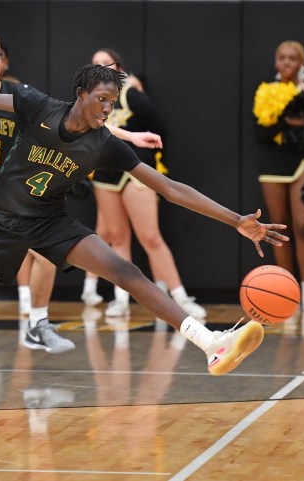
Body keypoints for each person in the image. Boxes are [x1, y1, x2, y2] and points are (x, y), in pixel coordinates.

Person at [0, 63, 289, 420]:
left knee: (125, 271)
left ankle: (209, 342)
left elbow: (169, 188)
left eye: (113, 102)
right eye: (102, 99)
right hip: (0, 226)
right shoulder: (39, 106)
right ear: (82, 94)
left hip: (50, 223)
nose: (107, 109)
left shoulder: (107, 143)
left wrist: (235, 221)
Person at [82, 48, 206, 319]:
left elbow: (159, 127)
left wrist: (146, 154)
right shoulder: (88, 102)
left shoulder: (130, 94)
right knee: (117, 238)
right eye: (95, 65)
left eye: (106, 63)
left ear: (119, 68)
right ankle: (121, 299)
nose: (101, 69)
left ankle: (181, 299)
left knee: (150, 236)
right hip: (104, 172)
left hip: (135, 169)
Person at [252, 40, 304, 320]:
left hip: (303, 163)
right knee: (278, 230)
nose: (286, 62)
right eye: (281, 57)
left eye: (292, 58)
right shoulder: (265, 92)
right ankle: (288, 292)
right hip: (273, 164)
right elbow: (261, 135)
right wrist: (286, 120)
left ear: (301, 63)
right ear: (275, 62)